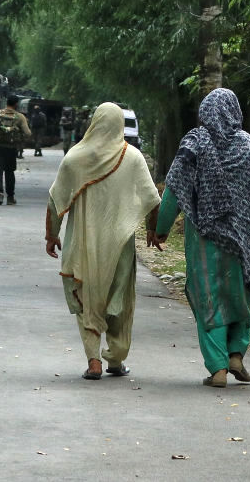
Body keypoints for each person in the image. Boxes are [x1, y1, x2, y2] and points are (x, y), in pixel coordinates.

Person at [155, 88, 250, 388]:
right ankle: (237, 353)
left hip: (205, 239)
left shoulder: (195, 144)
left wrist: (161, 228)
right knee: (239, 294)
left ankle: (217, 368)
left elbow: (174, 189)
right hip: (244, 241)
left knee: (209, 299)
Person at [45, 102, 161, 380]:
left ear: (94, 123)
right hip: (120, 246)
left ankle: (94, 360)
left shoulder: (75, 158)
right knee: (119, 299)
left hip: (82, 243)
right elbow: (152, 197)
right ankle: (116, 360)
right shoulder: (132, 157)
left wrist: (51, 236)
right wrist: (153, 230)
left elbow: (54, 200)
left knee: (88, 298)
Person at [0, 96, 31, 205]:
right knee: (9, 172)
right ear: (16, 104)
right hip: (11, 149)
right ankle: (10, 197)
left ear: (7, 102)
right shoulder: (20, 117)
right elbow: (28, 133)